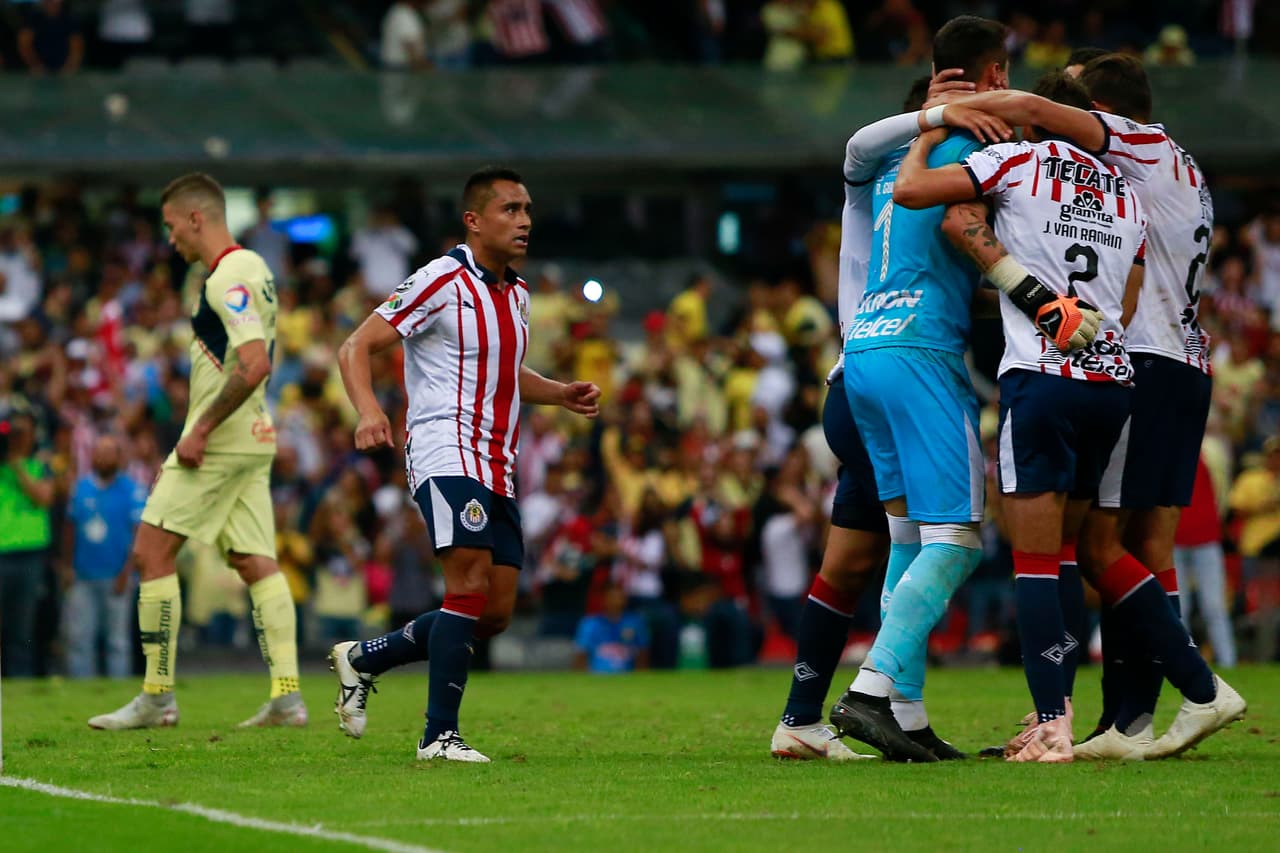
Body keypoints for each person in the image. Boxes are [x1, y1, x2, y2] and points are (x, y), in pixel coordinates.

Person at [946, 53, 1246, 760]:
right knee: (1141, 544)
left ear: (1105, 112)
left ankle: (1183, 695)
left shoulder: (1135, 144)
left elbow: (1044, 115)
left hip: (1140, 357)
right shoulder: (1183, 168)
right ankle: (1130, 719)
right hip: (1185, 362)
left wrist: (956, 109)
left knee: (1100, 544)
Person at [892, 71, 1149, 762]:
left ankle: (1050, 724)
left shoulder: (1019, 159)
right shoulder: (1126, 191)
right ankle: (1150, 694)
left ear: (1031, 119)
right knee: (1075, 552)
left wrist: (929, 128)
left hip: (1041, 375)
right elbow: (1126, 292)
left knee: (1035, 560)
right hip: (1110, 376)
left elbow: (914, 195)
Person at [326, 167, 601, 762]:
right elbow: (356, 345)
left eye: (527, 208)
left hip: (500, 459)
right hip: (445, 448)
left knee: (493, 612)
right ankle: (438, 736)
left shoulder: (519, 294)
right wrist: (369, 410)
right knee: (468, 581)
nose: (524, 220)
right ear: (473, 221)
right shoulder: (440, 279)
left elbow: (501, 371)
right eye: (509, 209)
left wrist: (559, 393)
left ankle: (364, 659)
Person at [825, 15, 1012, 764]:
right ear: (993, 76)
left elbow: (860, 155)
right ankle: (871, 686)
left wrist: (930, 120)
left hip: (865, 349)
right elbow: (962, 230)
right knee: (960, 538)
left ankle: (902, 709)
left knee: (908, 537)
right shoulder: (979, 155)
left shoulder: (898, 155)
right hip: (921, 351)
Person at [89, 173, 305, 730]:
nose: (169, 240)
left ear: (195, 219)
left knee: (150, 552)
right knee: (255, 560)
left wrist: (201, 427)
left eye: (170, 227)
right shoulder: (255, 267)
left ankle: (157, 697)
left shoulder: (225, 277)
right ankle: (287, 696)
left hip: (221, 443)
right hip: (256, 437)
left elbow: (255, 362)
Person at [63, 434, 147, 678]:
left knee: (117, 641)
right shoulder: (81, 488)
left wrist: (127, 572)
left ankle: (117, 692)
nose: (103, 457)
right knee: (80, 637)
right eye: (99, 452)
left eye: (109, 452)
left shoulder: (132, 490)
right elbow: (70, 528)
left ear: (119, 458)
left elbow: (138, 534)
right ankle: (81, 691)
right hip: (83, 574)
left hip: (117, 574)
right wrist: (68, 566)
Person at [0, 410, 55, 678]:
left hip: (30, 554)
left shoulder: (40, 464)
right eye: (14, 431)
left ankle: (20, 681)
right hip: (2, 552)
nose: (18, 437)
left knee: (22, 627)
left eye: (24, 431)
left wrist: (17, 466)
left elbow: (43, 498)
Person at [1174, 455, 1237, 668]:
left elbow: (1223, 491)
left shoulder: (1207, 455)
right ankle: (1185, 663)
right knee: (1180, 606)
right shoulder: (1205, 454)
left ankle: (1227, 660)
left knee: (1213, 605)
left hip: (1204, 535)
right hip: (1176, 537)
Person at [573, 581, 649, 673]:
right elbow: (581, 655)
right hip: (597, 678)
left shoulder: (635, 622)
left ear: (625, 599)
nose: (616, 601)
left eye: (619, 597)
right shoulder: (590, 623)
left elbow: (642, 654)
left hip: (627, 678)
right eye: (612, 597)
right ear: (604, 599)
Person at [17, 0, 84, 76]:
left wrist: (70, 67)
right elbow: (24, 45)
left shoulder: (70, 19)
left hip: (65, 71)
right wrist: (35, 65)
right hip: (37, 71)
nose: (52, 3)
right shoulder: (32, 19)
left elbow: (77, 47)